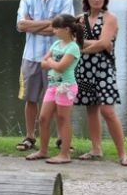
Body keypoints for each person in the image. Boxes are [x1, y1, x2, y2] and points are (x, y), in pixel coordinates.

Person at [15, 0, 74, 152]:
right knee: (30, 99)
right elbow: (21, 26)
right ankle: (30, 137)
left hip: (57, 59)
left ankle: (60, 138)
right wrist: (49, 25)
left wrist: (35, 25)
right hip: (31, 57)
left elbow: (65, 28)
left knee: (58, 99)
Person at [75, 0, 127, 166]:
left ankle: (123, 154)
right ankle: (96, 149)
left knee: (108, 111)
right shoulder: (80, 19)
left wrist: (84, 46)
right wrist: (95, 44)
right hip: (84, 69)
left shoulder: (110, 17)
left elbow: (103, 43)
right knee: (91, 109)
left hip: (104, 69)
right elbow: (71, 41)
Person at [25, 14, 83, 164]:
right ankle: (43, 151)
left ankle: (65, 154)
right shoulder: (56, 45)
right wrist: (51, 62)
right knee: (43, 118)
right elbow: (42, 64)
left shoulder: (73, 47)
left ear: (67, 29)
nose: (54, 30)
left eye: (56, 28)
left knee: (63, 119)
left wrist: (50, 61)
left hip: (66, 87)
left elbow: (61, 67)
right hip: (53, 86)